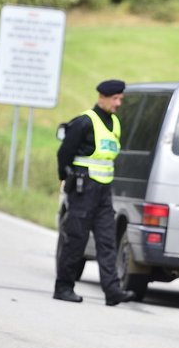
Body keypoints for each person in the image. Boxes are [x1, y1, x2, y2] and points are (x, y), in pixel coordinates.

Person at [54, 79, 136, 306]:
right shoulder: (84, 122)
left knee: (107, 239)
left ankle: (112, 292)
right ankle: (63, 287)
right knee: (76, 239)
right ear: (102, 97)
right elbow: (64, 153)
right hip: (83, 187)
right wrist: (66, 178)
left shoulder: (115, 124)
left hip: (103, 190)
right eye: (115, 98)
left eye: (121, 98)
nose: (118, 103)